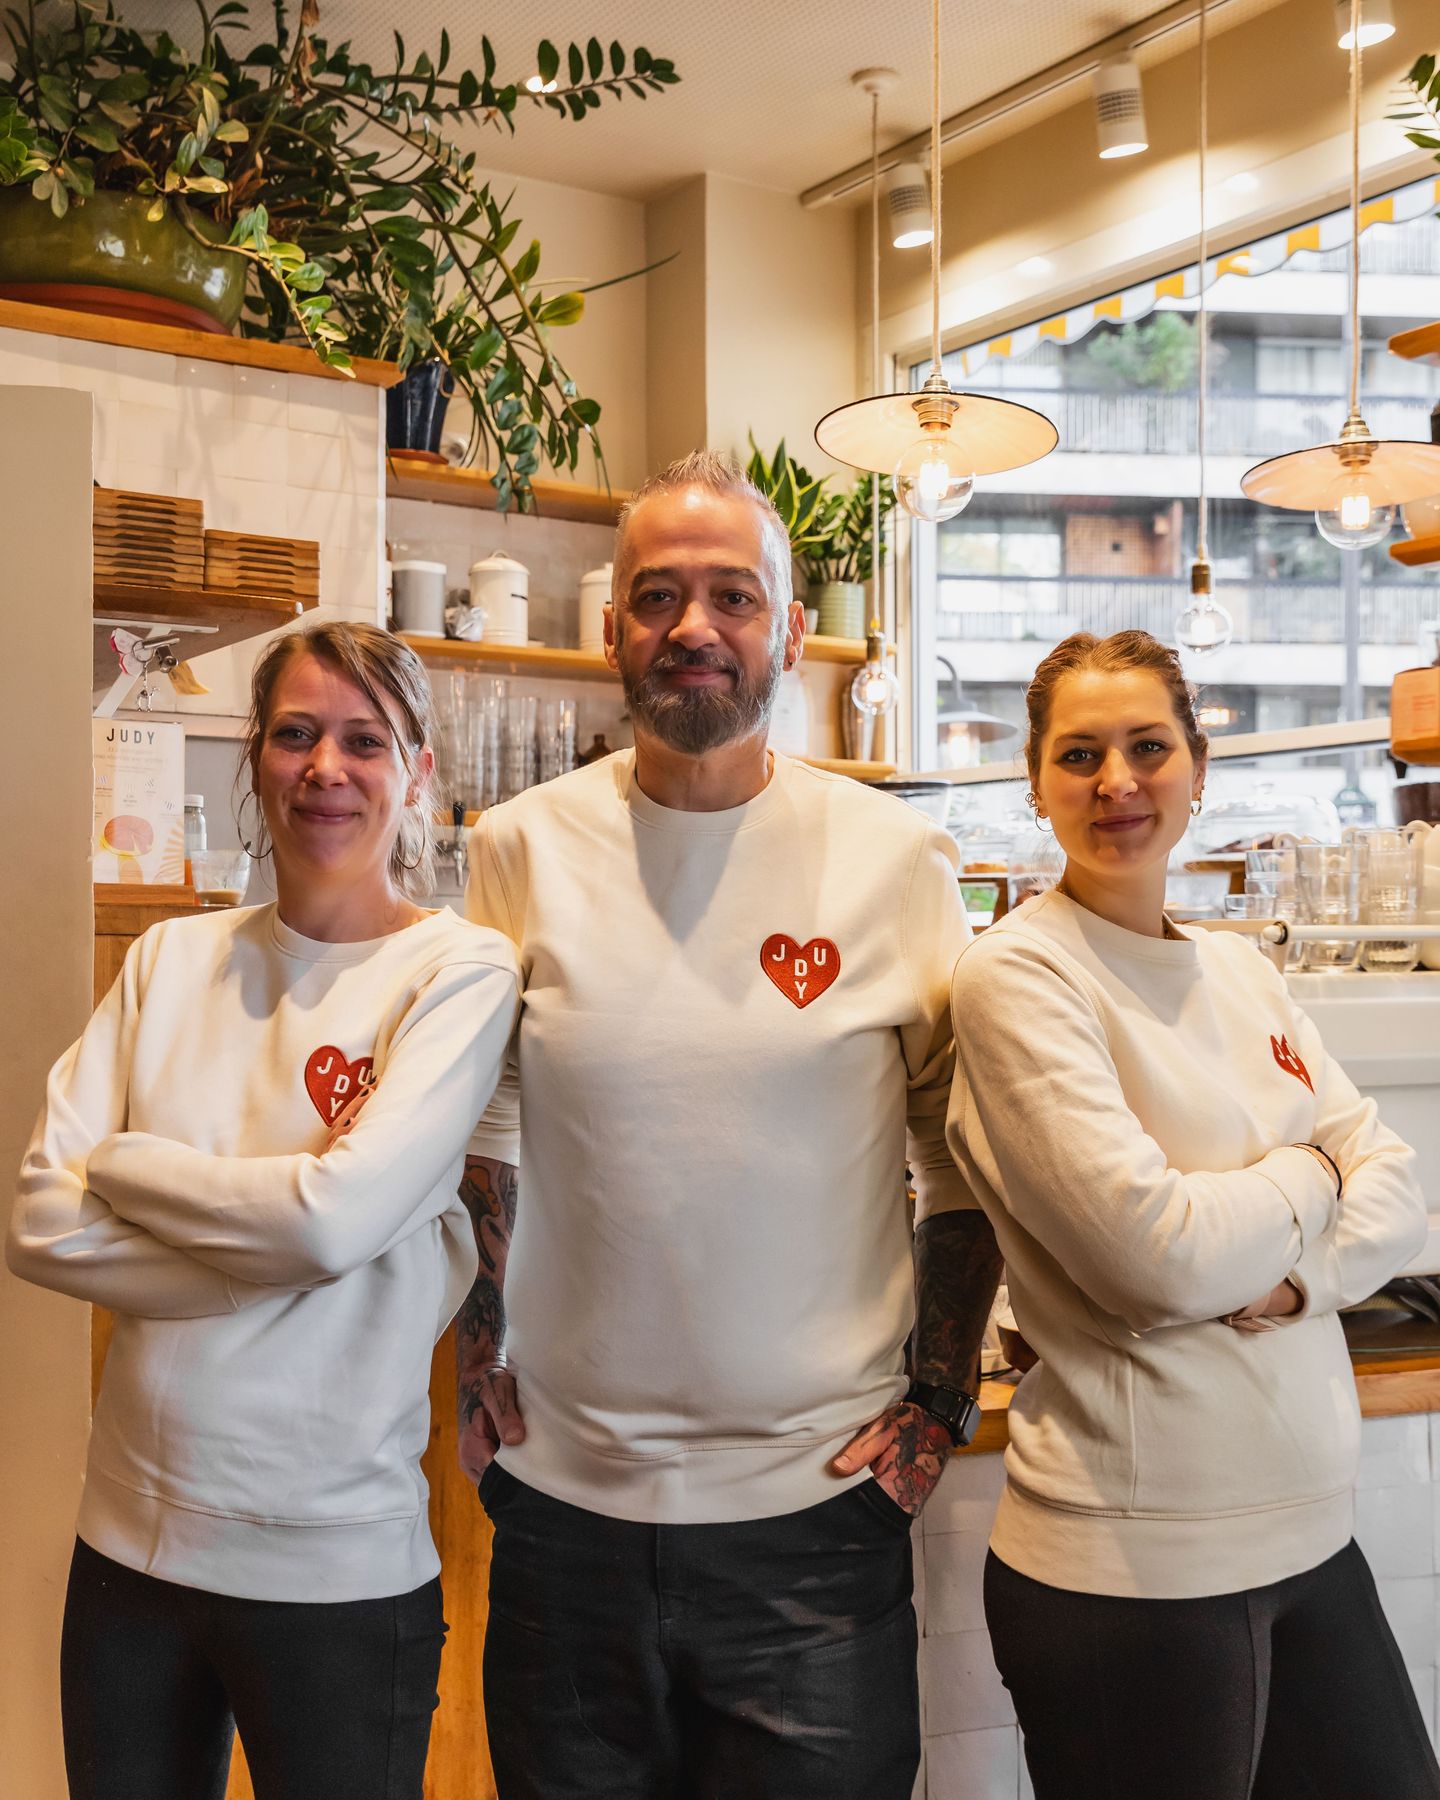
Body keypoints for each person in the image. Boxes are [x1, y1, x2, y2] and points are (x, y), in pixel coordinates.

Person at [455, 451, 1003, 1799]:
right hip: (566, 1520)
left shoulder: (895, 863)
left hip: (816, 1524)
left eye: (732, 596)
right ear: (610, 634)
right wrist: (478, 1356)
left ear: (791, 634)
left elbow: (964, 1155)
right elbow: (483, 1130)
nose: (692, 626)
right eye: (657, 596)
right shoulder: (518, 851)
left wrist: (936, 1404)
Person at [7, 622, 520, 1800]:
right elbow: (39, 1219)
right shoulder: (169, 962)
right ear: (255, 760)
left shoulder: (458, 973)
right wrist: (280, 1251)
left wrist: (127, 1167)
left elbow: (329, 1223)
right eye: (293, 734)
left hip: (335, 1573)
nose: (324, 768)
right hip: (126, 1557)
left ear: (419, 772)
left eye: (363, 740)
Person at [946, 628, 1438, 1800]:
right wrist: (1310, 1179)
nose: (1117, 782)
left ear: (1198, 769)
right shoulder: (1021, 976)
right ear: (1036, 780)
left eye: (1147, 747)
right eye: (1080, 754)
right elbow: (1154, 1258)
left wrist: (1294, 1277)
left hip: (1313, 1536)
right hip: (1137, 1569)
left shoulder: (1240, 970)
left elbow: (1400, 1186)